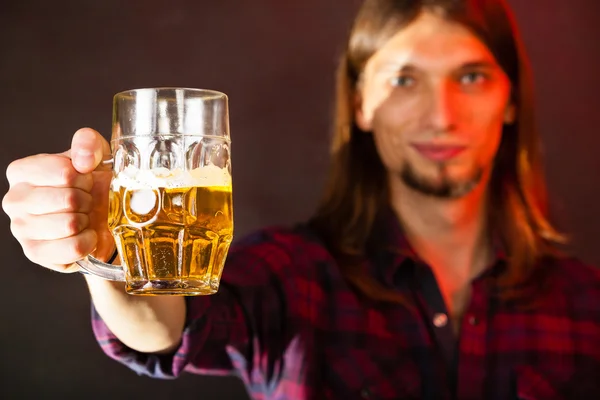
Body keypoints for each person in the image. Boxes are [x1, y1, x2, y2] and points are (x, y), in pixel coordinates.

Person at [3, 0, 600, 398]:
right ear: (360, 103)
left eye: (470, 77)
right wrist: (103, 252)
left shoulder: (585, 305)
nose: (440, 115)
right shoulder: (292, 276)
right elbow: (163, 330)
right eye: (404, 80)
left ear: (512, 99)